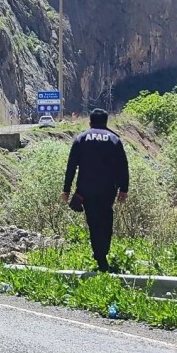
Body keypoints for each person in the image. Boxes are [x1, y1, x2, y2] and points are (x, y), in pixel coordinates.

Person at [61, 109, 130, 272]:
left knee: (93, 223)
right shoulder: (114, 139)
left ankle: (100, 257)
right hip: (108, 190)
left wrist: (66, 189)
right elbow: (123, 167)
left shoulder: (81, 139)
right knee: (106, 220)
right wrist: (124, 189)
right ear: (106, 122)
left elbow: (71, 166)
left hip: (86, 190)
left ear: (90, 122)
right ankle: (102, 254)